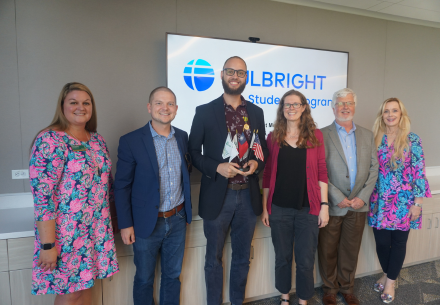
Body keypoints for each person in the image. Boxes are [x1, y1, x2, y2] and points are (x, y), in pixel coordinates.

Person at [29, 82, 119, 304]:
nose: (81, 107)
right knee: (71, 292)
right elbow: (43, 198)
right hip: (66, 234)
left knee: (86, 287)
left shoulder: (97, 140)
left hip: (96, 230)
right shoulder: (49, 140)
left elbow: (107, 187)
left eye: (86, 103)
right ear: (62, 106)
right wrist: (48, 246)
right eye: (74, 102)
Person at [188, 56, 268, 305]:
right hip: (217, 196)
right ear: (222, 74)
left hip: (247, 195)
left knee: (243, 257)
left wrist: (257, 163)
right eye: (231, 71)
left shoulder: (256, 112)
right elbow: (192, 153)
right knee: (213, 258)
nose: (235, 76)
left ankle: (237, 302)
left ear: (246, 77)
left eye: (241, 73)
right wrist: (217, 167)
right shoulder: (204, 111)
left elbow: (261, 149)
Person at [114, 86, 192, 305]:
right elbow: (121, 186)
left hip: (177, 221)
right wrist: (126, 224)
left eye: (169, 104)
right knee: (144, 279)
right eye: (159, 103)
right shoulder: (131, 140)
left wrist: (185, 214)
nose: (164, 108)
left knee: (172, 277)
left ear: (176, 109)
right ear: (149, 107)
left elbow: (185, 175)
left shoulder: (183, 137)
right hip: (146, 224)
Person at [261, 89, 329, 305]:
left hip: (307, 209)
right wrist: (265, 208)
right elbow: (268, 174)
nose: (291, 108)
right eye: (287, 105)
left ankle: (303, 300)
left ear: (303, 108)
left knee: (305, 260)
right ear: (282, 109)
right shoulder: (273, 137)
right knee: (282, 258)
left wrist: (324, 206)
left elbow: (321, 172)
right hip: (279, 209)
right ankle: (284, 297)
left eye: (295, 104)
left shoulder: (315, 136)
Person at [318, 88, 379, 305]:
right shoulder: (321, 134)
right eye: (341, 103)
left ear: (354, 106)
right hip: (333, 204)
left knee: (350, 249)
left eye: (349, 103)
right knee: (327, 249)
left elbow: (374, 169)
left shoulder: (367, 135)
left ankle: (347, 288)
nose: (345, 107)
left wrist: (363, 197)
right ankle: (329, 290)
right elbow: (319, 169)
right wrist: (335, 195)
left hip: (358, 204)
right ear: (333, 107)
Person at [369, 98, 431, 303]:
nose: (390, 114)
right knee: (381, 242)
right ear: (382, 115)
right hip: (378, 200)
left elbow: (419, 173)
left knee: (398, 243)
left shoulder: (412, 139)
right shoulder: (375, 138)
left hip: (404, 202)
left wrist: (418, 203)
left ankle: (390, 282)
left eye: (394, 110)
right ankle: (388, 274)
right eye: (386, 111)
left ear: (401, 114)